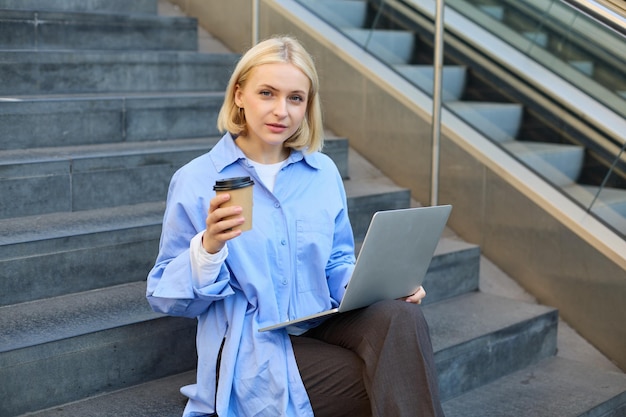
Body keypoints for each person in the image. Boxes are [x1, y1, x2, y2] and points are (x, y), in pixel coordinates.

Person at [146, 35, 444, 417]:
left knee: (403, 316)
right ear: (239, 95)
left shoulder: (322, 172)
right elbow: (163, 295)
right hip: (250, 343)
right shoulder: (198, 179)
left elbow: (337, 260)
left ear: (308, 105)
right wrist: (209, 249)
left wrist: (379, 286)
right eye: (267, 93)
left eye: (295, 98)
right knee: (391, 374)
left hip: (319, 320)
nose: (281, 111)